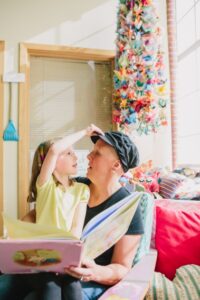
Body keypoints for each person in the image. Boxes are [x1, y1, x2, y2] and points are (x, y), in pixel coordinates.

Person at [0, 130, 144, 300]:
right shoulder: (77, 185)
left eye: (97, 153)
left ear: (115, 165)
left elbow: (122, 267)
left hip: (86, 278)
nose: (88, 156)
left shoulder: (127, 208)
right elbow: (40, 212)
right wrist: (19, 235)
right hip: (46, 263)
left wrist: (94, 272)